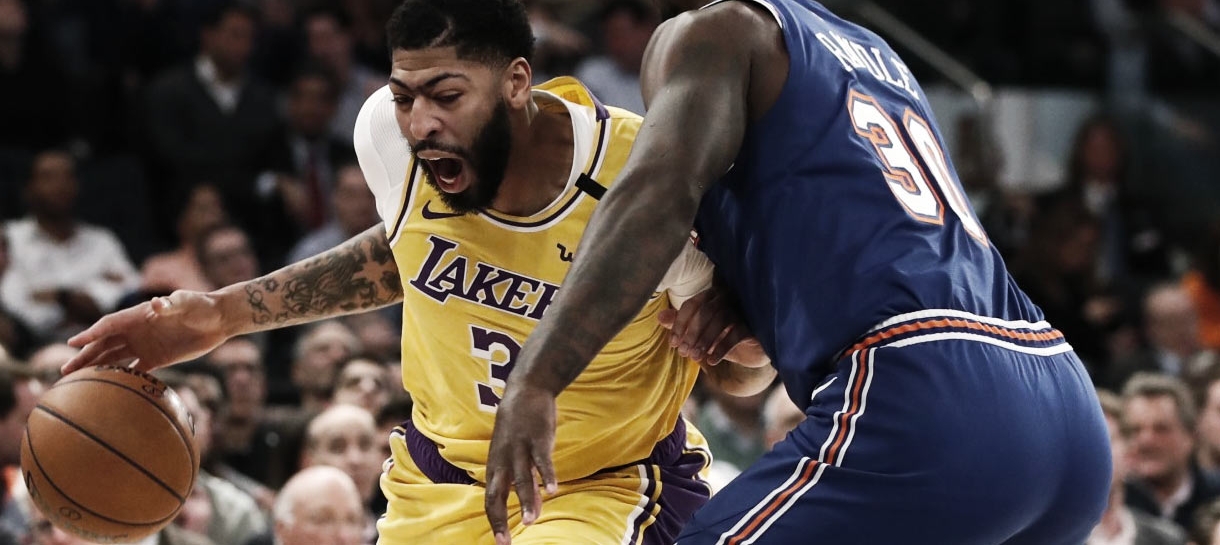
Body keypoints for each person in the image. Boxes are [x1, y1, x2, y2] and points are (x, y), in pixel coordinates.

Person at [63, 1, 771, 543]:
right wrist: (223, 313)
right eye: (406, 95)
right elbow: (406, 252)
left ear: (516, 82)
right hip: (436, 481)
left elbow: (748, 374)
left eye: (446, 95)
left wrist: (735, 339)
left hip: (598, 488)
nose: (420, 121)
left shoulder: (649, 180)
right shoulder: (388, 139)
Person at [483, 0, 1113, 544]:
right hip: (1058, 398)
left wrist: (538, 377)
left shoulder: (715, 31)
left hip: (925, 386)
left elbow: (654, 198)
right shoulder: (873, 51)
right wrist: (750, 293)